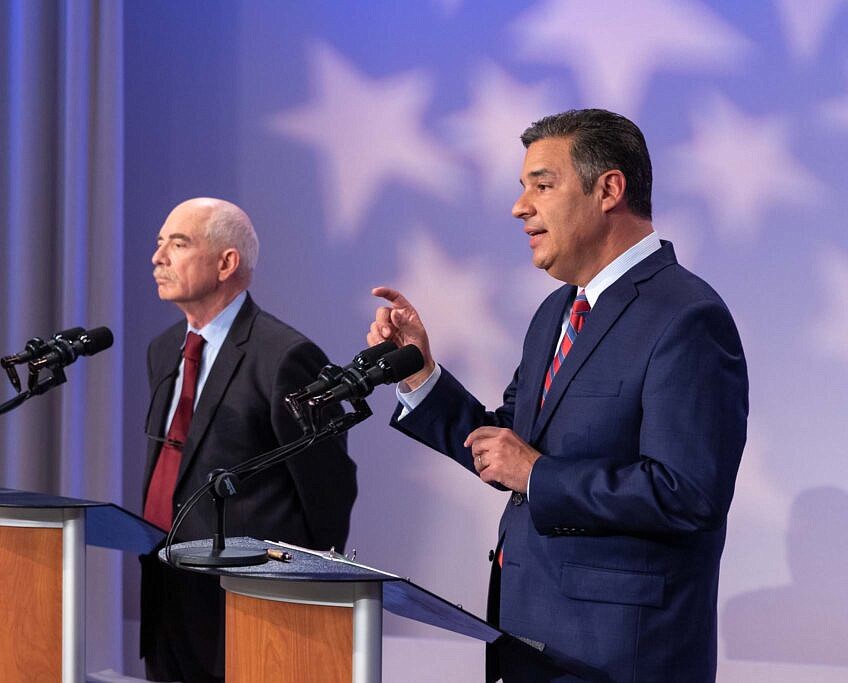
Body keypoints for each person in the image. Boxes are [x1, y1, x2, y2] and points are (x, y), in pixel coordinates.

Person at [368, 110, 748, 682]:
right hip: (530, 645)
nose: (520, 207)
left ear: (609, 190)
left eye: (542, 185)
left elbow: (688, 493)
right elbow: (509, 445)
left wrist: (538, 476)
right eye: (523, 188)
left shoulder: (687, 316)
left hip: (620, 659)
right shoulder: (556, 312)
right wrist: (422, 376)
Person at [141, 197, 357, 683]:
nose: (158, 258)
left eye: (178, 243)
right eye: (159, 244)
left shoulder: (286, 357)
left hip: (248, 600)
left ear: (227, 262)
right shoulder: (162, 352)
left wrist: (298, 597)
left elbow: (329, 487)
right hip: (167, 588)